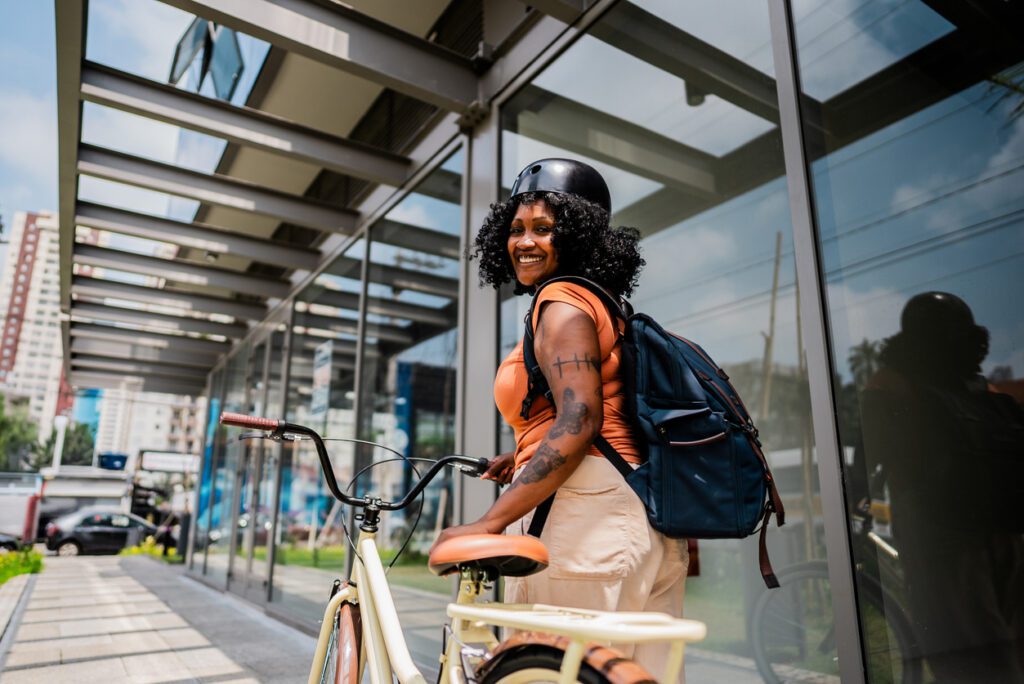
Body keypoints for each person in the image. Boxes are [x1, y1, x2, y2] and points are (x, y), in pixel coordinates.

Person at [431, 159, 688, 680]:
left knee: (551, 671)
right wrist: (522, 453)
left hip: (586, 519)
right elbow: (589, 413)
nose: (524, 241)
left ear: (578, 236)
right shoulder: (602, 303)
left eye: (544, 229)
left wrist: (490, 521)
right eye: (517, 229)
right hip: (636, 514)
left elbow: (580, 420)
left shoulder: (561, 303)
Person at [860, 292, 1024, 683]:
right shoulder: (982, 389)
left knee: (969, 652)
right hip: (1006, 531)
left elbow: (868, 452)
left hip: (942, 537)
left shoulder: (893, 385)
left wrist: (856, 494)